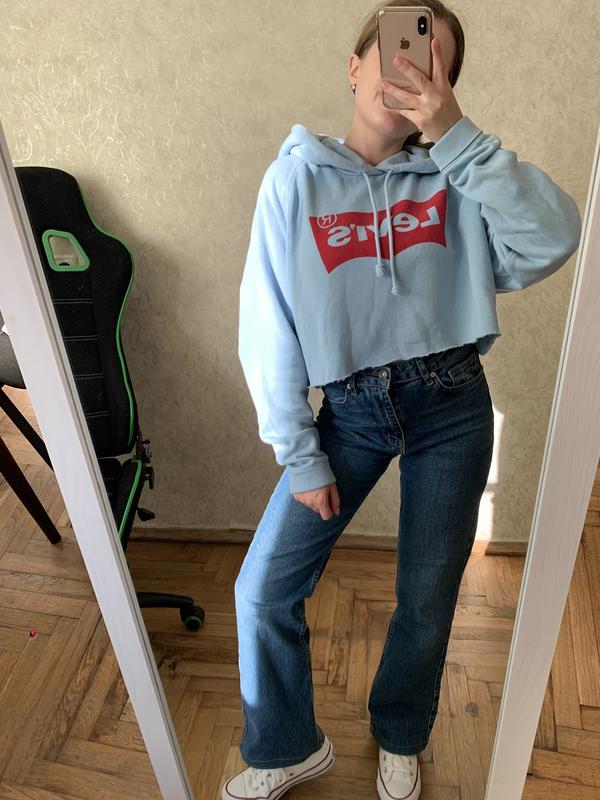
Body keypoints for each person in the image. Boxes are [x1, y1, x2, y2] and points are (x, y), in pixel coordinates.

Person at [222, 1, 582, 798]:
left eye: (431, 61)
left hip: (451, 404)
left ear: (446, 85)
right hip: (350, 412)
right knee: (263, 589)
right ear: (355, 66)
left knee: (426, 595)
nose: (407, 70)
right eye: (393, 53)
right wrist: (299, 451)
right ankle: (288, 746)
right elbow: (267, 324)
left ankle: (400, 734)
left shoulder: (459, 177)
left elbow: (556, 235)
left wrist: (456, 136)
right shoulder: (295, 180)